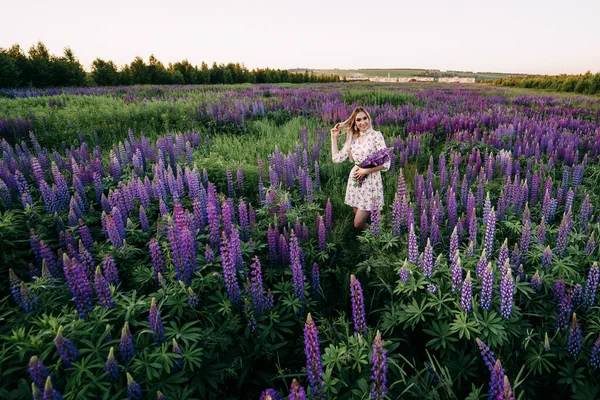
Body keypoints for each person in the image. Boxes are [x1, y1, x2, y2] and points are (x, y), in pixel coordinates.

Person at [331, 107, 390, 230]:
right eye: (359, 120)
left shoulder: (376, 136)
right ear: (355, 123)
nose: (363, 122)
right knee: (357, 213)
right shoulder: (353, 138)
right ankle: (369, 240)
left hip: (371, 181)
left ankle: (376, 233)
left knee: (357, 223)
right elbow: (336, 158)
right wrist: (334, 137)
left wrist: (366, 171)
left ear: (369, 119)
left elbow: (386, 163)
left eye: (365, 118)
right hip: (356, 181)